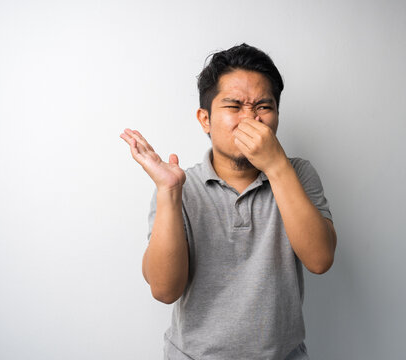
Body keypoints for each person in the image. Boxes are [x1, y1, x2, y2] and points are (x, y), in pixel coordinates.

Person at [120, 43, 337, 360]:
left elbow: (320, 260)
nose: (251, 119)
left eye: (263, 107)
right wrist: (168, 191)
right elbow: (165, 290)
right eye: (234, 106)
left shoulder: (298, 173)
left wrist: (276, 166)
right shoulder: (181, 185)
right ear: (205, 119)